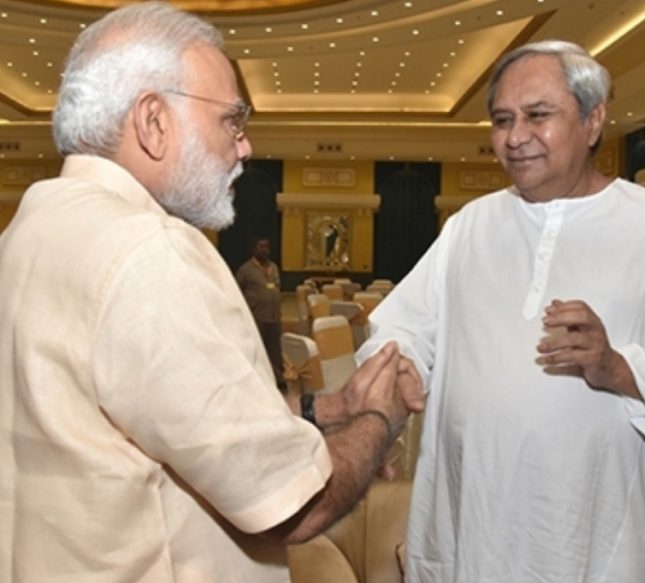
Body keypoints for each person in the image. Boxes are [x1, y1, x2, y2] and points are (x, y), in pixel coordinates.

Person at [0, 3, 423, 582]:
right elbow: (291, 507)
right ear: (153, 122)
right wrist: (378, 418)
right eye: (231, 120)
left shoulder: (27, 233)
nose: (245, 146)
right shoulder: (149, 250)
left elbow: (169, 415)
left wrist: (329, 408)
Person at [356, 39, 645, 582]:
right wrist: (397, 367)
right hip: (470, 539)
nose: (515, 137)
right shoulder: (469, 227)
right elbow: (403, 327)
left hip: (602, 550)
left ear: (593, 121)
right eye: (502, 120)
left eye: (537, 116)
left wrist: (620, 368)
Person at [237, 236, 285, 389]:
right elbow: (237, 291)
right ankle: (254, 379)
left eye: (266, 247)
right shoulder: (246, 269)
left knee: (275, 351)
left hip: (274, 317)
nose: (264, 250)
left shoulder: (274, 268)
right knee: (256, 349)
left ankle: (278, 379)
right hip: (256, 317)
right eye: (260, 247)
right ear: (253, 250)